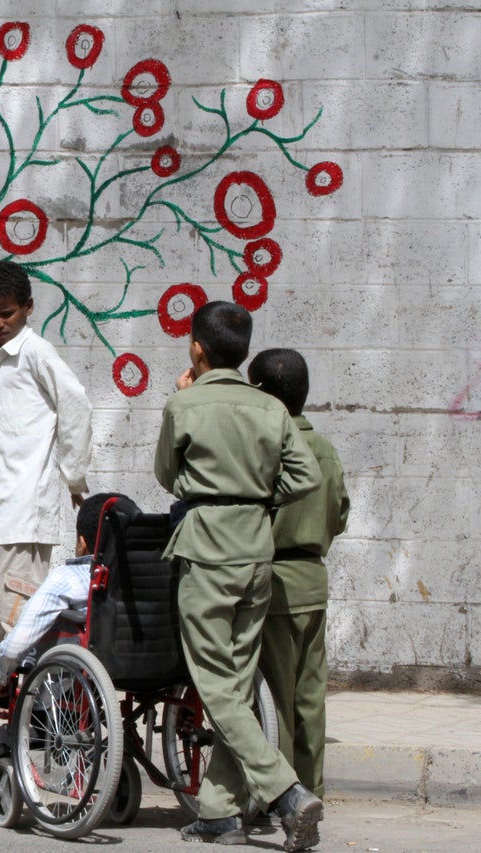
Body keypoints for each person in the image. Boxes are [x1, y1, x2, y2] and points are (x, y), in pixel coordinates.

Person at [153, 301, 324, 850]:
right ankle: (219, 812)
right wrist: (258, 498)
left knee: (215, 685)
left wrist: (182, 400)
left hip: (207, 550)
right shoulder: (270, 408)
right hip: (256, 552)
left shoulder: (186, 403)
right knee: (236, 684)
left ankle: (285, 791)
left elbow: (165, 476)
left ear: (196, 348)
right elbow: (306, 474)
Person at [0, 260, 93, 646]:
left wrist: (73, 477)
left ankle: (39, 700)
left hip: (26, 507)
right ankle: (9, 693)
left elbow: (76, 405)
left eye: (6, 313)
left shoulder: (36, 352)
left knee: (21, 614)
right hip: (2, 508)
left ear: (28, 307)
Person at [249, 349, 350, 799]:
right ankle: (312, 788)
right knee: (310, 697)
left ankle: (284, 796)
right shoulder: (325, 449)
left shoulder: (268, 448)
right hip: (314, 578)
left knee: (275, 698)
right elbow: (340, 513)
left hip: (276, 581)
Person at [0, 494, 105, 696]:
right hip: (147, 666)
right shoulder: (151, 577)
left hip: (77, 673)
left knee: (42, 626)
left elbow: (16, 645)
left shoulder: (67, 579)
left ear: (82, 542)